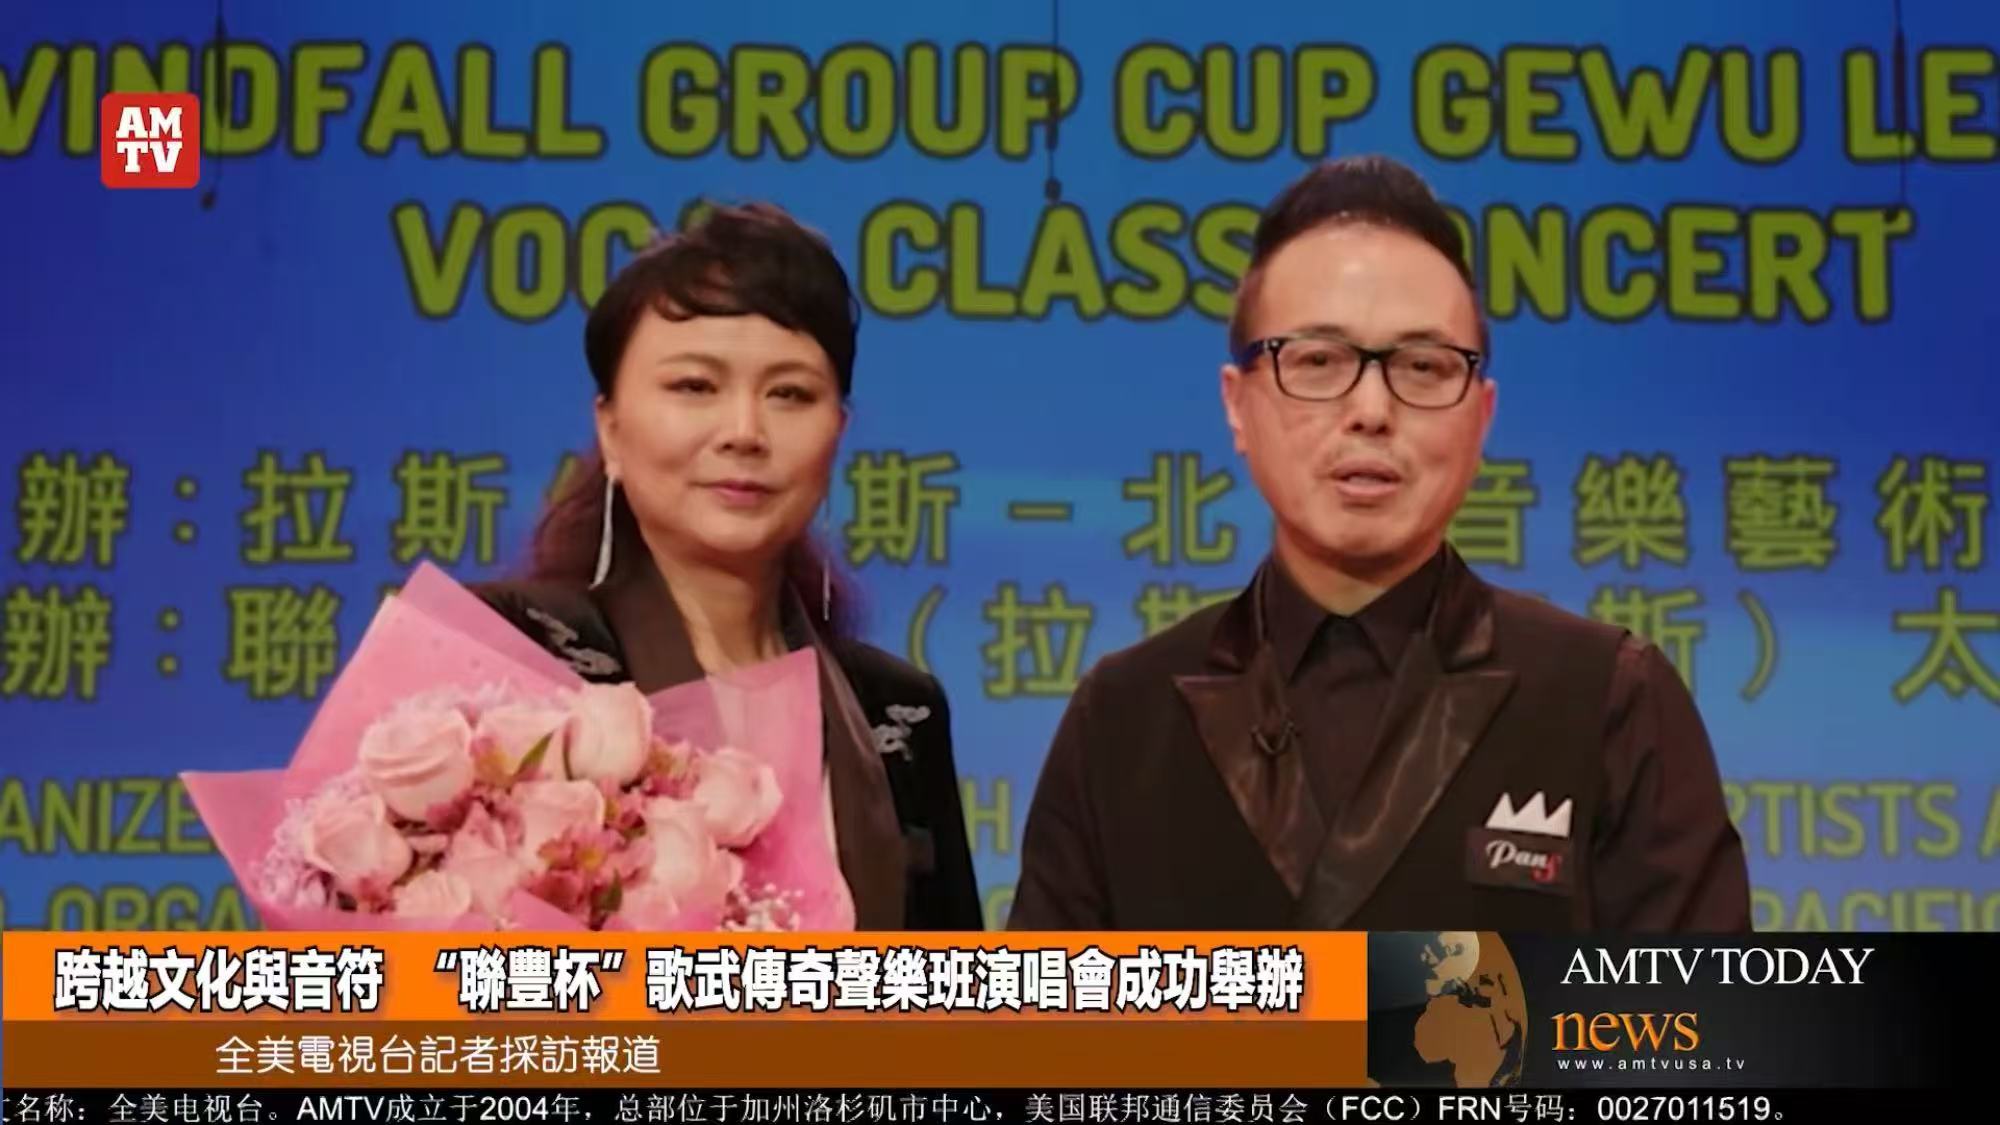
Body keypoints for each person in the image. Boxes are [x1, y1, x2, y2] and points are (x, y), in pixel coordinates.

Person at [1009, 156, 1751, 932]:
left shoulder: (1607, 698)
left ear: (1482, 415)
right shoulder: (1123, 719)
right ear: (1237, 404)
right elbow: (1043, 1012)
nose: (1370, 408)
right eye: (1317, 360)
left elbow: (1697, 1010)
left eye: (1423, 366)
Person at [474, 202, 982, 930]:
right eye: (695, 387)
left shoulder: (899, 710)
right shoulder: (507, 650)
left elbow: (950, 988)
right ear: (610, 428)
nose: (745, 432)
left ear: (837, 432)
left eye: (790, 394)